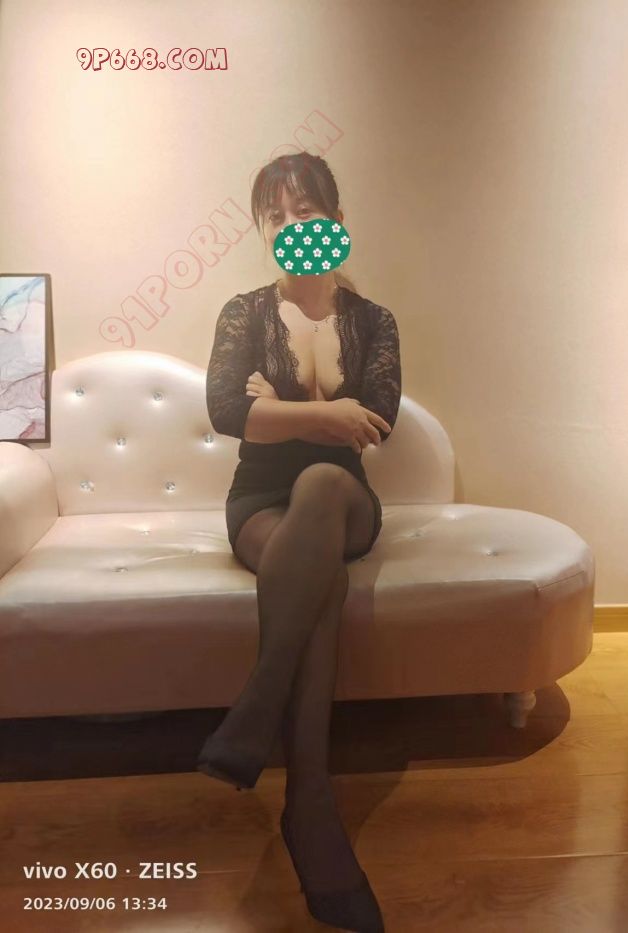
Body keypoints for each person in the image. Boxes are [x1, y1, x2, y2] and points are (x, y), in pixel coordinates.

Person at [197, 152, 401, 932]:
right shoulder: (244, 313)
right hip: (258, 503)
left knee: (320, 480)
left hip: (342, 499)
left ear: (336, 223)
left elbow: (375, 420)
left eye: (306, 213)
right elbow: (228, 413)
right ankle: (310, 804)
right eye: (276, 217)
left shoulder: (373, 320)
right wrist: (324, 413)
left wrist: (277, 411)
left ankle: (257, 706)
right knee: (323, 584)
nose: (291, 228)